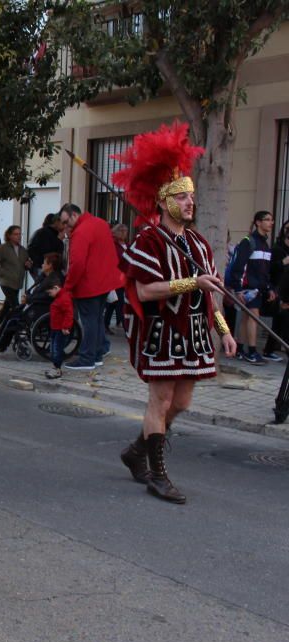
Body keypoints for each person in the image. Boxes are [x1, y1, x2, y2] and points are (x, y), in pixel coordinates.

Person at [113, 121, 237, 504]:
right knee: (161, 402)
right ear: (166, 201)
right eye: (182, 198)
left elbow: (211, 290)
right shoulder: (148, 240)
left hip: (197, 334)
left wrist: (224, 329)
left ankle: (137, 451)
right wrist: (190, 284)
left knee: (182, 404)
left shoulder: (199, 244)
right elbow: (146, 290)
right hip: (162, 334)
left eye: (191, 198)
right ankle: (157, 474)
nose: (189, 203)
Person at [59, 204, 124, 371]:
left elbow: (78, 264)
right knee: (96, 320)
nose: (65, 226)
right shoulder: (100, 223)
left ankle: (87, 358)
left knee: (89, 321)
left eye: (66, 222)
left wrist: (68, 286)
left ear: (74, 215)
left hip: (88, 285)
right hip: (104, 282)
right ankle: (97, 354)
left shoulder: (80, 232)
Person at [226, 210, 276, 364]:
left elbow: (264, 270)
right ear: (258, 222)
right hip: (248, 287)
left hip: (258, 289)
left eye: (272, 220)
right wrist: (238, 289)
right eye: (267, 219)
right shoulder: (248, 241)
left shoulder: (265, 244)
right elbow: (239, 266)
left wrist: (269, 287)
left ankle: (240, 349)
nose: (271, 223)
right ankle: (252, 352)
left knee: (247, 317)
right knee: (254, 316)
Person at [0, 225, 31, 329]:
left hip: (17, 282)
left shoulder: (23, 250)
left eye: (19, 234)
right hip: (6, 282)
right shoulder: (3, 248)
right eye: (15, 234)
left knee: (7, 306)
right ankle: (11, 329)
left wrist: (28, 265)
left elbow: (26, 263)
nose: (18, 236)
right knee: (15, 307)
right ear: (9, 235)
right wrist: (2, 273)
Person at [39, 253, 71, 379]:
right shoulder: (58, 298)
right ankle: (55, 366)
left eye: (50, 291)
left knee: (57, 349)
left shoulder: (63, 299)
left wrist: (65, 327)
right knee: (54, 348)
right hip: (55, 327)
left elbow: (68, 313)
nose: (49, 294)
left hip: (60, 329)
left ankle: (57, 369)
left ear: (56, 288)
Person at [263, 220, 289, 359]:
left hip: (284, 289)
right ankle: (269, 349)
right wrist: (282, 263)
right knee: (279, 322)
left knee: (280, 323)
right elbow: (269, 268)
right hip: (279, 289)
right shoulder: (277, 249)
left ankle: (271, 348)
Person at [27, 212, 65, 280]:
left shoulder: (43, 232)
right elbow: (50, 255)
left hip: (40, 267)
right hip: (43, 268)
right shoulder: (47, 234)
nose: (64, 225)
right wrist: (59, 240)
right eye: (62, 222)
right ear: (56, 222)